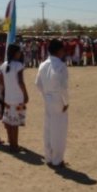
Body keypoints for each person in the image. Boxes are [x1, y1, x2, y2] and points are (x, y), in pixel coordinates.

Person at [35, 39, 69, 168]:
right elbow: (63, 87)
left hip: (48, 98)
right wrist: (66, 102)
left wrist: (45, 95)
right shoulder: (61, 65)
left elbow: (37, 83)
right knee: (59, 130)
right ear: (59, 50)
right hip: (58, 99)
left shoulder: (42, 64)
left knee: (48, 128)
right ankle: (57, 160)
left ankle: (48, 157)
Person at [1, 44, 29, 152]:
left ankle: (11, 142)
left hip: (8, 97)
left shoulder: (3, 65)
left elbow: (3, 82)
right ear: (15, 53)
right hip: (17, 98)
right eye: (19, 52)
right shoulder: (19, 65)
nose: (20, 53)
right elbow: (20, 81)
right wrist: (26, 95)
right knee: (15, 123)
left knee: (9, 121)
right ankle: (15, 145)